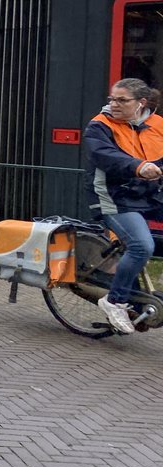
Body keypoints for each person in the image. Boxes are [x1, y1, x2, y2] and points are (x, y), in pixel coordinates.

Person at [83, 77, 163, 334]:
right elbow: (107, 156)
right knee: (142, 245)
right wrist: (139, 167)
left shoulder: (158, 124)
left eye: (121, 100)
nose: (113, 104)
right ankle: (115, 300)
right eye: (112, 99)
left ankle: (144, 300)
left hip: (149, 195)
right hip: (113, 197)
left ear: (141, 103)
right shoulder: (100, 125)